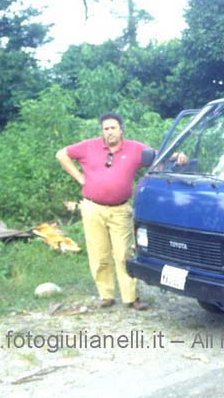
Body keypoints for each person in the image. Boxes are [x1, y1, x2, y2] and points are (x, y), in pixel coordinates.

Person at [56, 112, 187, 310]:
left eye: (113, 128)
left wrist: (178, 156)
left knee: (123, 254)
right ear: (102, 131)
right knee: (99, 254)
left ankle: (131, 297)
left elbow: (159, 156)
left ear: (121, 129)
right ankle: (106, 295)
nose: (109, 132)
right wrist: (80, 178)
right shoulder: (88, 146)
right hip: (93, 208)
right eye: (106, 128)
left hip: (120, 210)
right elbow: (61, 154)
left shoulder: (135, 149)